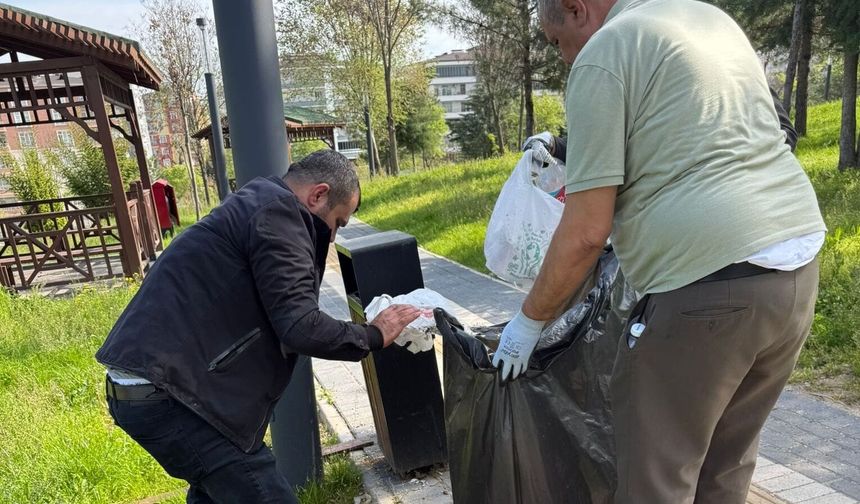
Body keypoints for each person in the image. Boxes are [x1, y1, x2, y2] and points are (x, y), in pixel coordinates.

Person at [492, 0, 826, 502]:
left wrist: (528, 321)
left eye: (557, 42)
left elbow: (586, 232)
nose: (563, 58)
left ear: (576, 8)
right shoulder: (705, 18)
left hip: (709, 284)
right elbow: (693, 127)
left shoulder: (604, 53)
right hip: (793, 268)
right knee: (724, 466)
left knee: (657, 480)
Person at [96, 150, 420, 503]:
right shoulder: (279, 214)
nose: (332, 237)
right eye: (338, 223)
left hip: (161, 387)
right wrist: (372, 334)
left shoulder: (260, 204)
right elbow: (300, 325)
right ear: (318, 195)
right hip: (171, 393)